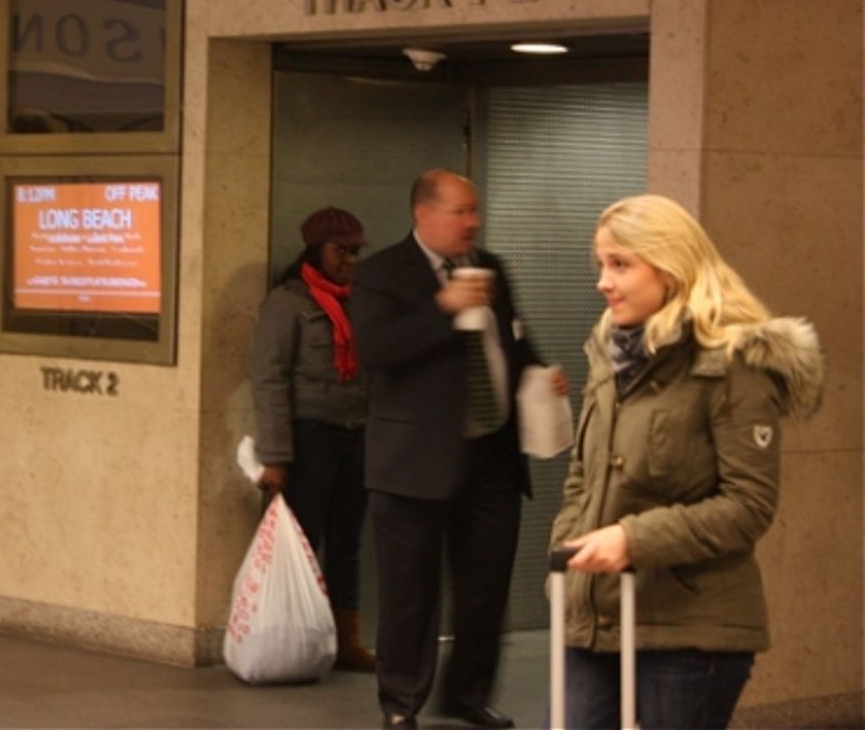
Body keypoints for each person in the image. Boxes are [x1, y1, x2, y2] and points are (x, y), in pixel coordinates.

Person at [548, 195, 823, 729]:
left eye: (621, 264)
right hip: (595, 619)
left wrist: (633, 539)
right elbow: (583, 475)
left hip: (689, 629)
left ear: (671, 268)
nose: (603, 282)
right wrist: (569, 544)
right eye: (601, 264)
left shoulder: (733, 364)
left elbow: (748, 506)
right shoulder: (610, 353)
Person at [350, 169, 568, 729]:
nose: (472, 222)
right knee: (410, 594)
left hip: (492, 457)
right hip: (412, 463)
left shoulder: (490, 267)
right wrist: (442, 306)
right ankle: (401, 703)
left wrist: (539, 371)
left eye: (475, 210)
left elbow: (511, 338)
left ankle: (468, 695)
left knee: (484, 589)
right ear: (423, 213)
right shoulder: (380, 274)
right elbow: (377, 350)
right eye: (460, 211)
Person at [251, 205, 375, 672]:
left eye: (355, 252)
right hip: (309, 439)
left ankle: (346, 641)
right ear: (315, 250)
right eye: (340, 251)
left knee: (347, 541)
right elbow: (269, 378)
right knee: (302, 542)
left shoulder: (360, 300)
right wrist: (275, 456)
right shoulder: (289, 302)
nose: (349, 261)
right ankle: (296, 638)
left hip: (356, 436)